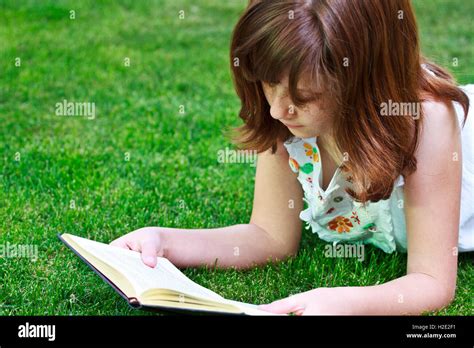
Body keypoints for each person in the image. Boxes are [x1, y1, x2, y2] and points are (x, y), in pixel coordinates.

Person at [110, 0, 473, 315]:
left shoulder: (428, 123)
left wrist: (345, 304)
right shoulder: (287, 117)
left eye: (305, 96)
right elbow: (269, 235)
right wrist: (165, 241)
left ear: (364, 84)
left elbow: (432, 281)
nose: (277, 109)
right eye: (269, 83)